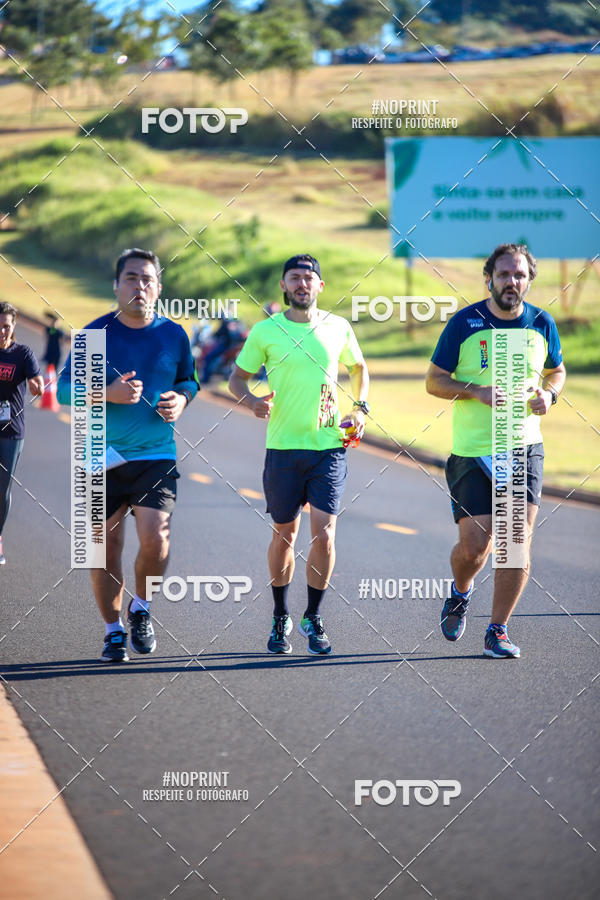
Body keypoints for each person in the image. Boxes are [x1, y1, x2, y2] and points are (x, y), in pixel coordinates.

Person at [57, 249, 199, 662]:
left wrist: (182, 399)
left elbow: (188, 380)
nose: (141, 286)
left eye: (148, 279)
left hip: (155, 454)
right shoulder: (95, 335)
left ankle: (141, 607)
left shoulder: (173, 335)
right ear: (117, 286)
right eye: (132, 278)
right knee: (103, 547)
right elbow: (63, 392)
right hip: (98, 455)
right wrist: (107, 395)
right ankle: (112, 630)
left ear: (159, 288)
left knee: (156, 538)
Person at [425, 243, 566, 658]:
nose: (512, 281)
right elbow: (434, 381)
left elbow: (556, 369)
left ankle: (497, 630)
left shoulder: (542, 322)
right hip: (472, 451)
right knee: (474, 549)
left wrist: (549, 394)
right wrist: (475, 391)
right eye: (504, 274)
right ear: (489, 278)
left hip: (522, 447)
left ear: (529, 279)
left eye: (519, 274)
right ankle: (459, 591)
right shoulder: (465, 323)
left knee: (514, 542)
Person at [229, 254, 369, 656]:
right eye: (295, 278)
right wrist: (251, 401)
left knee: (324, 534)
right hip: (283, 449)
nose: (303, 284)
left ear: (320, 286)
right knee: (285, 535)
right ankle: (279, 614)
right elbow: (236, 377)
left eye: (310, 278)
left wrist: (360, 408)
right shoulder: (266, 332)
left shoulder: (338, 327)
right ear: (284, 286)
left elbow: (359, 368)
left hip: (328, 447)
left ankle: (313, 616)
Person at [0, 302, 44, 565]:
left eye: (6, 326)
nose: (2, 332)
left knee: (2, 489)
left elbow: (37, 382)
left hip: (11, 432)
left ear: (13, 326)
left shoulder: (23, 354)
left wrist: (38, 387)